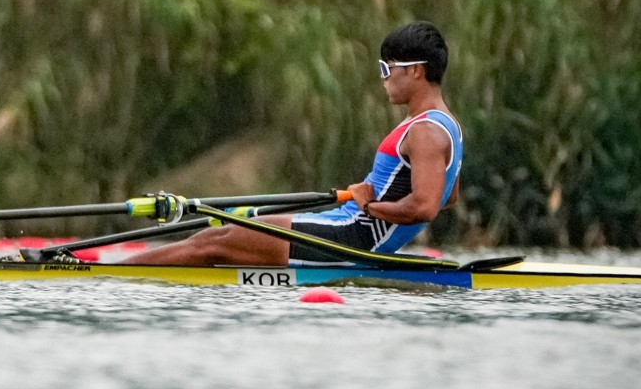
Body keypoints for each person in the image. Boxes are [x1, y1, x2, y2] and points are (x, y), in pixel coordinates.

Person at [125, 21, 462, 267]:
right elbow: (450, 196)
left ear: (416, 71)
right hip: (348, 229)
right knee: (223, 235)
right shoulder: (449, 127)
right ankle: (116, 272)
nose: (383, 78)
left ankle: (107, 277)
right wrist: (375, 197)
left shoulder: (425, 132)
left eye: (386, 68)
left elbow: (425, 207)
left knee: (215, 242)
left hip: (354, 238)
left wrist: (369, 205)